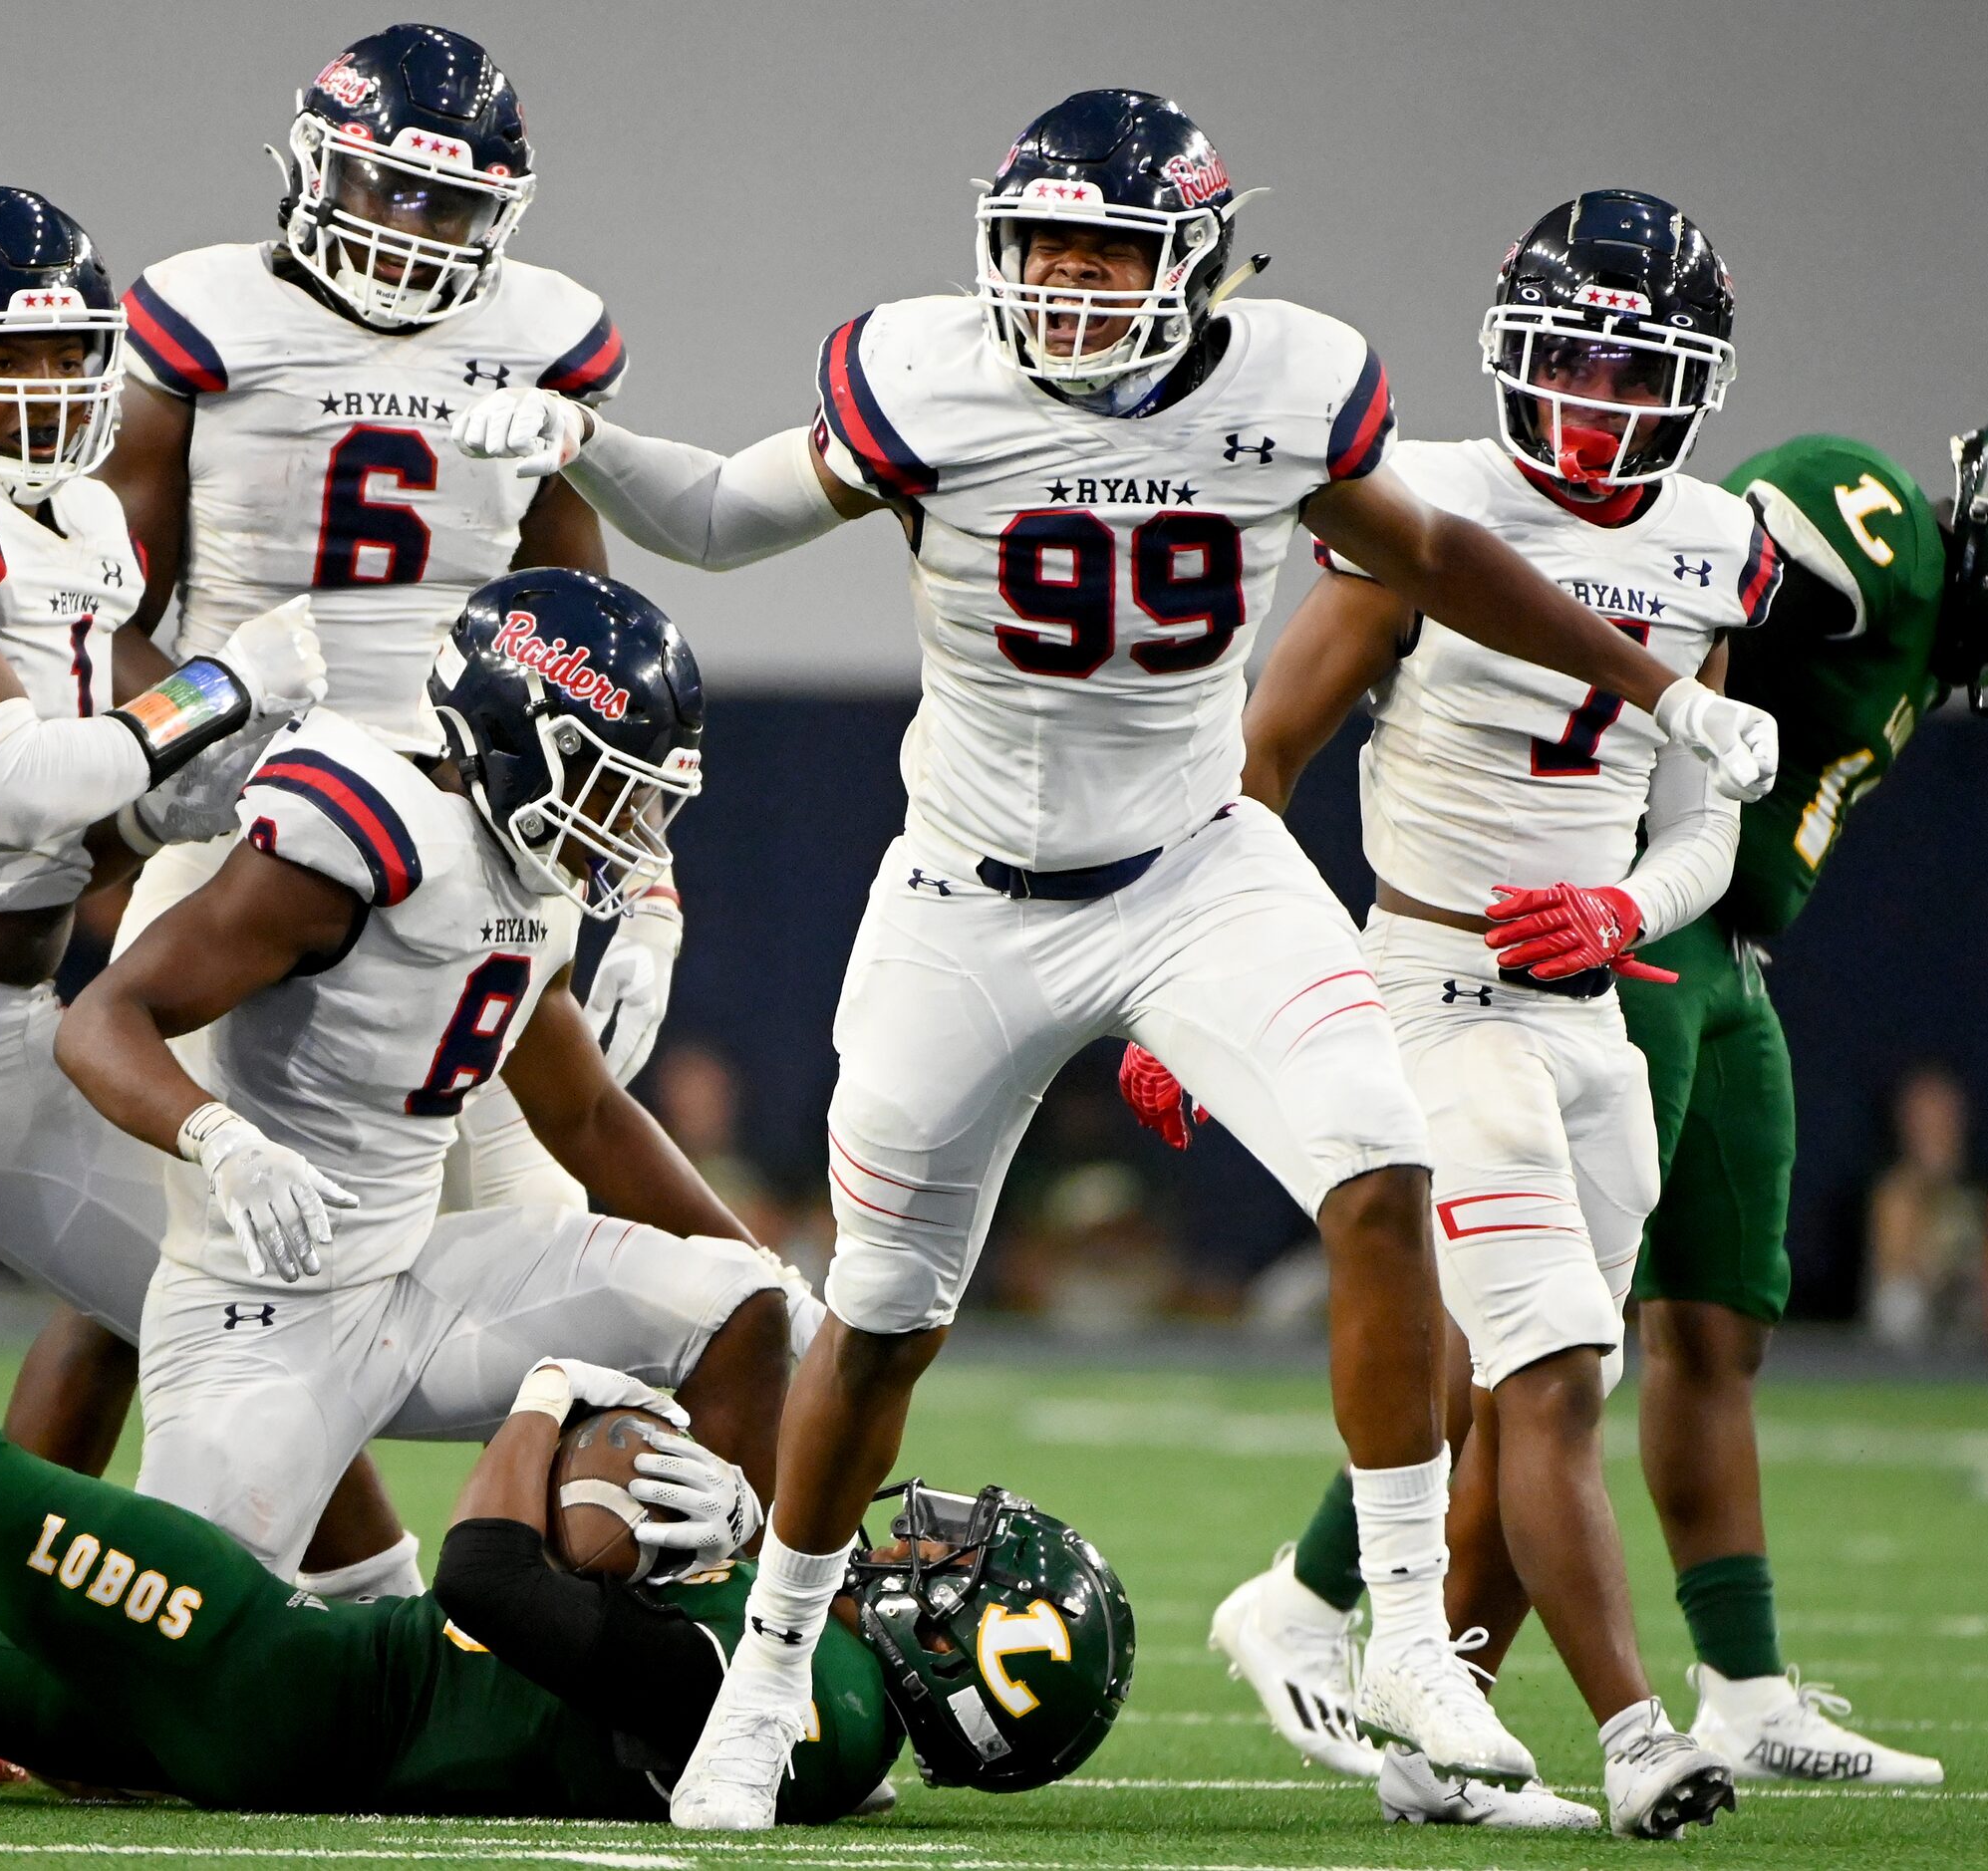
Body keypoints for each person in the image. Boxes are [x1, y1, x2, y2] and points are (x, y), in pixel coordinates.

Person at [455, 89, 1782, 1830]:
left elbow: (1442, 556)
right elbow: (712, 514)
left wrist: (1663, 689)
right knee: (875, 1317)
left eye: (1112, 253)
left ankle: (1398, 1628)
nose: (1070, 288)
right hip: (963, 899)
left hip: (1192, 866)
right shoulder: (925, 378)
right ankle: (766, 1667)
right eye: (1046, 251)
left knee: (1379, 1162)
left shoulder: (1284, 383)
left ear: (1200, 268)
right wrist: (579, 443)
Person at [1208, 400, 1988, 1789]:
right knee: (1542, 1349)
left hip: (1720, 949)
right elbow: (1676, 584)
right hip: (1622, 946)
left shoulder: (1916, 619)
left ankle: (1742, 1688)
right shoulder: (1869, 524)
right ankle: (1362, 1640)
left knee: (1718, 1324)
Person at [8, 24, 678, 1595]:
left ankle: (561, 1623)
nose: (414, 229)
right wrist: (202, 739)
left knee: (555, 1236)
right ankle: (44, 1620)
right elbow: (115, 604)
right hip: (269, 834)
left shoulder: (549, 333)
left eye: (452, 206)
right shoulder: (204, 316)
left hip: (489, 844)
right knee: (157, 1261)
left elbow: (597, 637)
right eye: (386, 184)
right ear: (312, 163)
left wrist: (645, 882)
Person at [1173, 189, 1761, 1838]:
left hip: (1588, 1018)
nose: (1588, 405)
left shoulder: (1712, 540)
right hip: (1435, 996)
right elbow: (1257, 759)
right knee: (1558, 1375)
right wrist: (1197, 983)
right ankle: (1638, 1731)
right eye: (1562, 364)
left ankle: (1428, 1736)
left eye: (1624, 375)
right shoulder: (1423, 505)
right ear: (1509, 357)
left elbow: (1702, 812)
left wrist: (1625, 907)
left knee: (1523, 1393)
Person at [53, 569, 812, 1586]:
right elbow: (105, 1018)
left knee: (742, 1306)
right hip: (259, 1314)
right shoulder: (358, 837)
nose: (630, 823)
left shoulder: (527, 882)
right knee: (174, 1678)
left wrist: (773, 1275)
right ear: (516, 736)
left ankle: (721, 1651)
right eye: (609, 780)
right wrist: (218, 1138)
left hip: (415, 1290)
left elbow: (584, 1115)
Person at [0, 1363, 1131, 1818]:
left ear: (957, 1649)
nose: (922, 1543)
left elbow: (488, 1575)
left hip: (289, 1672)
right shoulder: (841, 1732)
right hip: (318, 1727)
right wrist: (725, 1533)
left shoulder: (779, 1692)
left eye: (953, 1565)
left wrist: (542, 1397)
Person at [0, 186, 324, 1384]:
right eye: (7, 355)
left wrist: (166, 811)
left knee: (244, 1328)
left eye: (72, 352)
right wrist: (221, 685)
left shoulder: (86, 516)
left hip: (16, 1024)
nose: (50, 384)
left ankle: (361, 1581)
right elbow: (17, 787)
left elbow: (69, 835)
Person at [1864, 1066, 1988, 1348]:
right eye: (1925, 1120)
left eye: (1944, 1118)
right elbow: (1894, 1269)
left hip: (1972, 1316)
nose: (1935, 1129)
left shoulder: (1977, 1192)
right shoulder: (1895, 1191)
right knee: (1902, 1304)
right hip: (1914, 1321)